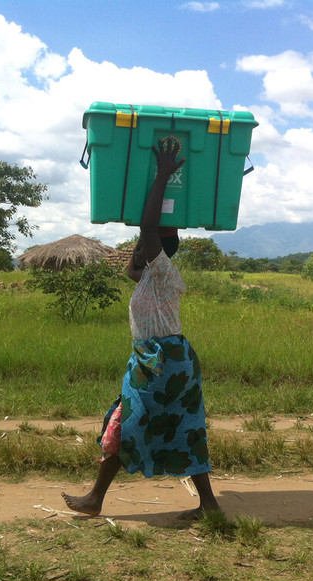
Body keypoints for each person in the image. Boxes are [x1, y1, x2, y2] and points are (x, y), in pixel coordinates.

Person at [62, 137, 220, 519]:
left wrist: (162, 175)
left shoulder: (164, 271)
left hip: (163, 361)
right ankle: (208, 505)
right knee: (177, 426)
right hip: (162, 360)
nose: (138, 244)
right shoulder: (149, 277)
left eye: (144, 242)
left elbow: (150, 228)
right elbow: (132, 267)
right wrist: (139, 242)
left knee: (129, 422)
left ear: (158, 248)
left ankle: (96, 500)